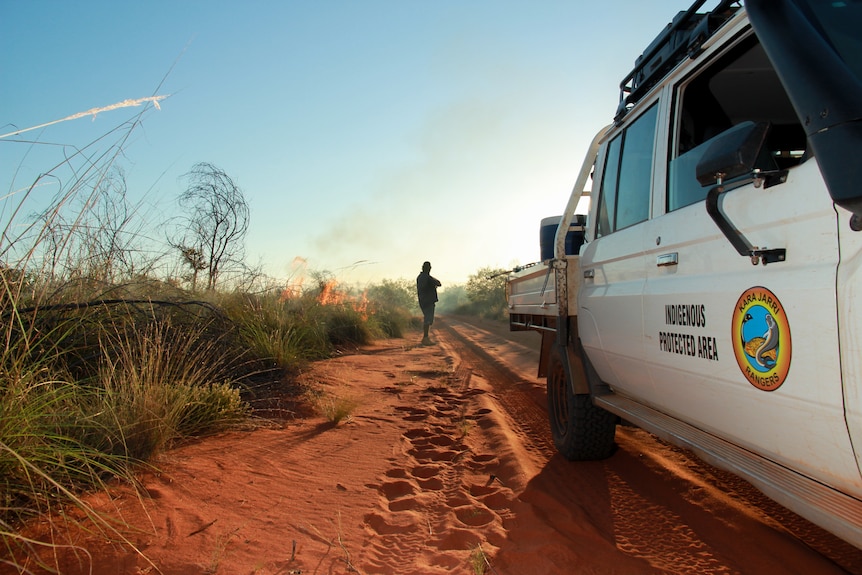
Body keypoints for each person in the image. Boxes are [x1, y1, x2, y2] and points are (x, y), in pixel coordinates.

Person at [416, 261, 442, 345]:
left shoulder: (420, 277)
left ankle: (425, 338)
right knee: (428, 319)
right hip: (428, 301)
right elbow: (438, 283)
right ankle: (425, 338)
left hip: (422, 300)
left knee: (427, 318)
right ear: (428, 268)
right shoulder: (427, 277)